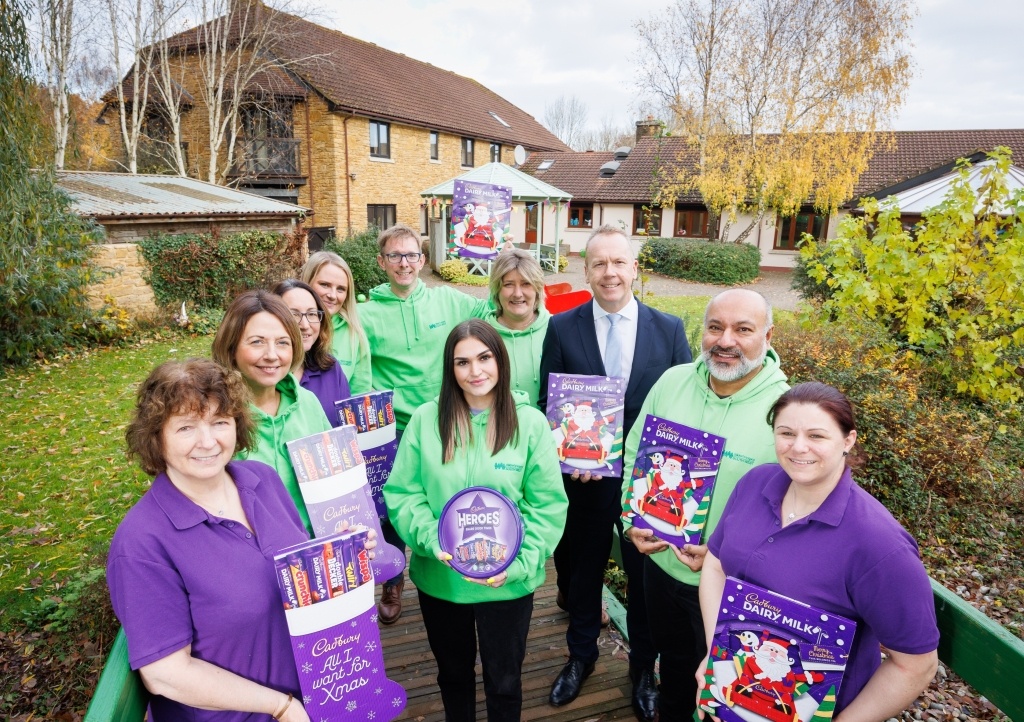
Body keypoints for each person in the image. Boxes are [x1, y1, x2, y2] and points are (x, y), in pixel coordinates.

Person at [699, 382, 939, 717]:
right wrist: (716, 654)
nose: (798, 447)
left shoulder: (878, 544)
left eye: (816, 436)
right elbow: (715, 565)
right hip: (731, 694)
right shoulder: (755, 484)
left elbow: (917, 666)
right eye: (786, 432)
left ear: (848, 441)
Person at [539, 224, 692, 720]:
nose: (610, 272)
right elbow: (549, 402)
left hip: (649, 486)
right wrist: (569, 453)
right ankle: (580, 655)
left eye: (618, 262)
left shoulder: (668, 330)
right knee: (581, 572)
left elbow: (684, 409)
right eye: (599, 263)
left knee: (645, 578)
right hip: (584, 481)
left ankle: (643, 669)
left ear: (633, 267)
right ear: (586, 270)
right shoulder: (562, 327)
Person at [107, 358, 311, 721]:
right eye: (186, 427)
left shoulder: (261, 480)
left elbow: (299, 567)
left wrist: (344, 555)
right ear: (156, 438)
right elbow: (166, 674)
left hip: (313, 697)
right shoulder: (143, 542)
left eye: (220, 422)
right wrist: (281, 706)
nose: (208, 441)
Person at [384, 319, 566, 722]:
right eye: (462, 362)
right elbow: (403, 494)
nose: (475, 371)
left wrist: (519, 565)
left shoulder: (530, 423)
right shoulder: (426, 421)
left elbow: (547, 506)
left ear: (500, 359)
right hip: (443, 583)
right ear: (450, 369)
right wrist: (433, 539)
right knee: (453, 675)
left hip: (508, 586)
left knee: (505, 680)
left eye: (484, 358)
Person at [621, 288, 789, 722]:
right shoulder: (672, 382)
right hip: (661, 569)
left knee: (722, 698)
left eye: (743, 329)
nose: (726, 340)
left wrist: (724, 558)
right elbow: (633, 451)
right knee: (675, 675)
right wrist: (630, 516)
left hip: (733, 592)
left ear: (768, 336)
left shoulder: (788, 412)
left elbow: (794, 517)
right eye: (715, 327)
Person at [360, 223, 490, 623]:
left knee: (448, 493)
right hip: (393, 428)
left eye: (412, 255)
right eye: (395, 256)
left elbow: (493, 313)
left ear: (422, 259)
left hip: (444, 418)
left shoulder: (448, 301)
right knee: (394, 506)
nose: (405, 263)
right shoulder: (366, 313)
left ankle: (462, 557)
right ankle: (395, 579)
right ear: (382, 262)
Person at [212, 290, 331, 533]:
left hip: (315, 553)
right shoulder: (216, 416)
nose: (272, 355)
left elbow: (334, 484)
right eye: (257, 342)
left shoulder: (308, 403)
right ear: (231, 346)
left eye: (282, 342)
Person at [273, 279, 350, 425]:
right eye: (293, 314)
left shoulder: (331, 369)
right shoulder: (265, 372)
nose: (305, 325)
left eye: (312, 314)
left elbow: (346, 429)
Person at [482, 248, 550, 404]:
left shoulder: (558, 331)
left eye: (526, 284)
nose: (518, 293)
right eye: (509, 284)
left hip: (546, 428)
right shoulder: (481, 337)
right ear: (497, 290)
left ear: (538, 289)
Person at [301, 251, 371, 394]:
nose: (332, 295)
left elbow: (360, 392)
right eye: (325, 285)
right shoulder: (286, 327)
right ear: (307, 282)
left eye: (341, 289)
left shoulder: (353, 333)